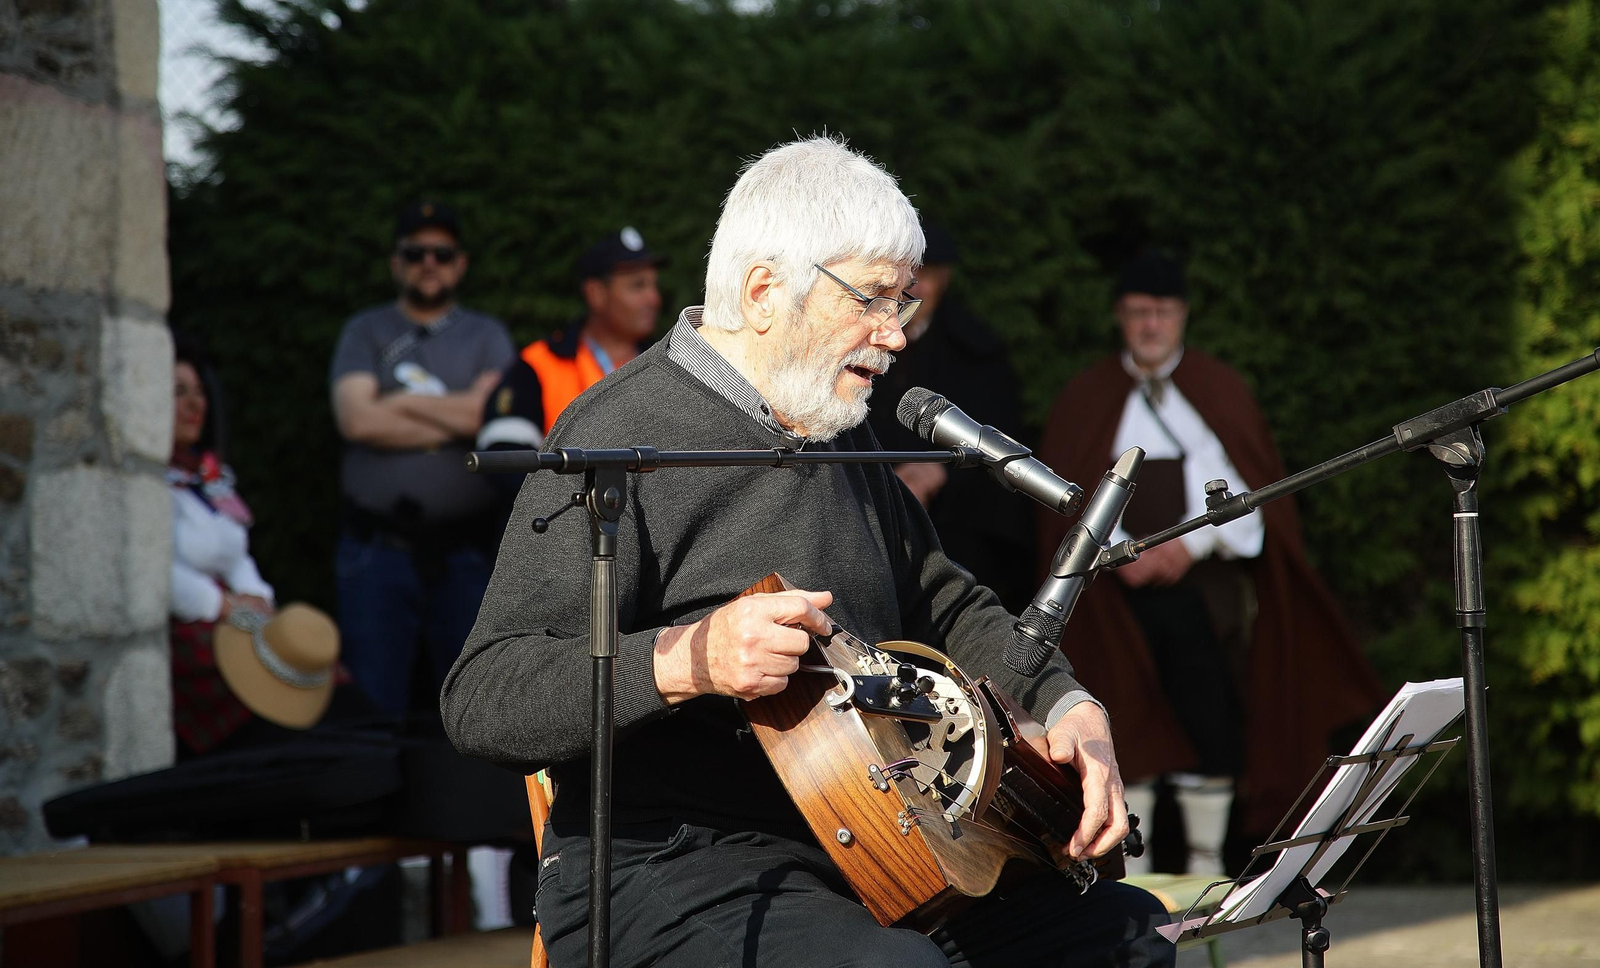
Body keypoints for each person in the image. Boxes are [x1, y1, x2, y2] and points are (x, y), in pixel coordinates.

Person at [442, 137, 1173, 968]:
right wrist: (689, 658)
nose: (895, 337)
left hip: (881, 849)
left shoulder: (833, 428)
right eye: (874, 300)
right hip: (667, 872)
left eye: (904, 305)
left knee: (1123, 937)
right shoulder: (616, 436)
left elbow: (948, 601)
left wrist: (1073, 706)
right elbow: (483, 697)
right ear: (763, 292)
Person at [1036, 248, 1384, 875]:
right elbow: (1064, 503)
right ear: (1120, 316)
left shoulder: (1218, 390)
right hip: (1113, 598)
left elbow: (1256, 500)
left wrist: (1188, 545)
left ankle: (1205, 866)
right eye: (1139, 313)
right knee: (1122, 708)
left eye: (1162, 313)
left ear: (1183, 317)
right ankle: (1126, 870)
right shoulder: (1088, 397)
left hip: (1205, 599)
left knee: (1210, 715)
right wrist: (1121, 555)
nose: (1150, 326)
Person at [329, 201, 515, 721]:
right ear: (396, 263)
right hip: (376, 551)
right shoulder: (366, 331)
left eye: (442, 253)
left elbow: (493, 417)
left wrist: (398, 401)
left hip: (465, 553)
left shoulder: (486, 335)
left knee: (470, 706)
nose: (428, 262)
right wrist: (457, 412)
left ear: (460, 264)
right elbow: (357, 422)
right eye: (415, 252)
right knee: (373, 702)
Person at [169, 339, 341, 757]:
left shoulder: (208, 477)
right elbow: (154, 572)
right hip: (186, 625)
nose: (195, 405)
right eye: (178, 391)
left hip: (233, 616)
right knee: (271, 719)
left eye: (200, 392)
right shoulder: (145, 484)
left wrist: (260, 603)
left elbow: (236, 553)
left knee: (321, 673)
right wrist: (225, 606)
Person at [866, 223, 1034, 610]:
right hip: (873, 501)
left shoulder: (976, 350)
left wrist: (939, 471)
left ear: (946, 279)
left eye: (928, 276)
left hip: (956, 516)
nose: (917, 289)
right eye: (909, 276)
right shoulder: (858, 337)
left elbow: (1002, 433)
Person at [476, 227, 665, 453]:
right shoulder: (539, 364)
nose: (654, 298)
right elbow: (504, 455)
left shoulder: (669, 364)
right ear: (596, 294)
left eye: (654, 285)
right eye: (638, 286)